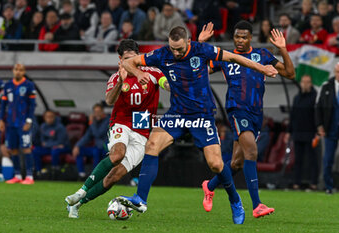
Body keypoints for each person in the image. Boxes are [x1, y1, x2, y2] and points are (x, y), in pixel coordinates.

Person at [116, 26, 278, 224]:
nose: (176, 53)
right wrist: (138, 73)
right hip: (177, 113)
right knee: (152, 145)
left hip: (202, 115)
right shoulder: (162, 54)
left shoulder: (202, 50)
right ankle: (140, 198)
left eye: (180, 49)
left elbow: (235, 58)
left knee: (216, 164)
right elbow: (128, 61)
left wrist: (262, 68)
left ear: (189, 42)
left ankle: (235, 200)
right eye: (173, 48)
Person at [65, 39, 170, 218]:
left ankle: (77, 204)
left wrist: (174, 86)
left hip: (142, 129)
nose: (130, 62)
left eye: (134, 58)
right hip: (121, 122)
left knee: (114, 177)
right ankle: (81, 192)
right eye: (126, 59)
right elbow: (109, 100)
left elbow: (165, 84)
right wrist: (121, 83)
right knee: (117, 154)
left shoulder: (152, 72)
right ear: (120, 60)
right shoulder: (116, 77)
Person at [200, 21, 295, 218]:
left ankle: (209, 186)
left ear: (251, 37)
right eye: (237, 37)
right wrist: (199, 45)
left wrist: (283, 49)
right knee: (251, 150)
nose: (240, 40)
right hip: (237, 111)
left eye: (244, 37)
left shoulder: (262, 55)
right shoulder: (226, 58)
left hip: (256, 114)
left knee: (236, 162)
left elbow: (290, 73)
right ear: (233, 38)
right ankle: (257, 204)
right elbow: (196, 69)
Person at [0, 63, 36, 185]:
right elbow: (3, 104)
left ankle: (29, 176)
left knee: (26, 148)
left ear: (24, 72)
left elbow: (32, 105)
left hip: (23, 122)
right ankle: (17, 175)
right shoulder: (8, 85)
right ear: (13, 71)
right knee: (13, 149)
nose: (18, 72)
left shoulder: (29, 85)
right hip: (10, 122)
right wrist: (1, 119)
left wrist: (29, 120)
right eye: (16, 69)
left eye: (20, 70)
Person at [285, 75, 318, 190]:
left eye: (307, 82)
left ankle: (313, 183)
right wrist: (289, 132)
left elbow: (317, 116)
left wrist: (317, 132)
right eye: (303, 82)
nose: (305, 84)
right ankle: (296, 183)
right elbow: (292, 115)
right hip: (297, 133)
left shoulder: (315, 97)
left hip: (311, 133)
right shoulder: (297, 98)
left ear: (311, 83)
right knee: (297, 160)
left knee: (312, 159)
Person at [316, 63, 339, 194]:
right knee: (328, 159)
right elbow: (318, 108)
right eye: (337, 72)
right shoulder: (326, 87)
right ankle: (329, 186)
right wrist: (320, 125)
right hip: (330, 128)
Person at [72, 103, 109, 179]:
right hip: (97, 147)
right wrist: (77, 146)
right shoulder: (94, 123)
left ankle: (95, 176)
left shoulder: (108, 120)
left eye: (99, 112)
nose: (97, 114)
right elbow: (87, 136)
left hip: (105, 148)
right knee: (79, 151)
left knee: (96, 152)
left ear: (103, 112)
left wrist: (91, 122)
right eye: (95, 112)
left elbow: (98, 133)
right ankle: (81, 174)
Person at [33, 110, 70, 178]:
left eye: (51, 117)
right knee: (36, 150)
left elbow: (60, 142)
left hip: (64, 147)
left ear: (54, 117)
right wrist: (48, 144)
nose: (49, 119)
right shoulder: (43, 126)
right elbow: (42, 141)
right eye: (47, 117)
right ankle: (39, 171)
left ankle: (54, 170)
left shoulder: (60, 127)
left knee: (55, 150)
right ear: (44, 118)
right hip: (49, 147)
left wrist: (47, 144)